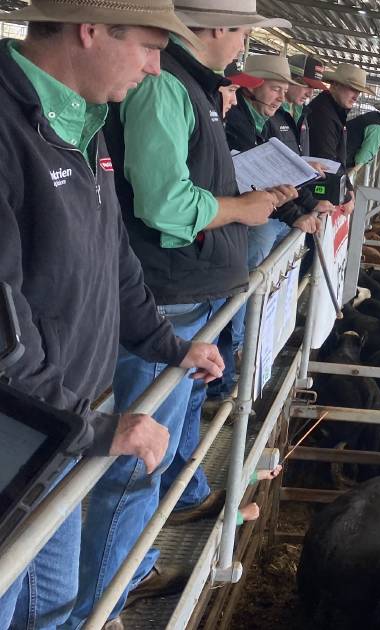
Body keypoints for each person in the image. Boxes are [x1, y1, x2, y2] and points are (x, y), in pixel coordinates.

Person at [0, 2, 227, 627]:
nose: (157, 69)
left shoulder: (85, 121)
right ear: (91, 30)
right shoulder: (8, 127)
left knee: (52, 608)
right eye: (151, 48)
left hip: (60, 427)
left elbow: (114, 255)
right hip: (18, 434)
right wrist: (91, 426)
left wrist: (164, 342)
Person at [75, 0, 293, 624]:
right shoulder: (165, 89)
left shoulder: (189, 89)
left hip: (182, 301)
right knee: (135, 461)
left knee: (161, 442)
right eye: (245, 31)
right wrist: (241, 210)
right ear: (219, 28)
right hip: (166, 302)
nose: (244, 44)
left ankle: (130, 572)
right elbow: (165, 204)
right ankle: (103, 605)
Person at [216, 54, 325, 399]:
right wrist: (296, 212)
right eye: (275, 88)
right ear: (252, 86)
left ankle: (244, 356)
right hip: (241, 220)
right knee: (249, 281)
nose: (281, 96)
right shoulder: (238, 121)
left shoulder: (265, 119)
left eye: (283, 89)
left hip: (258, 213)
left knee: (258, 281)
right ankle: (238, 356)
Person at [306, 61, 368, 168]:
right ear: (335, 85)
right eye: (353, 89)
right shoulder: (324, 115)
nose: (356, 96)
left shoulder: (333, 110)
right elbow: (326, 162)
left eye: (359, 91)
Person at [280, 53, 326, 156]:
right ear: (290, 78)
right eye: (306, 86)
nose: (309, 94)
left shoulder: (302, 113)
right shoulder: (271, 111)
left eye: (313, 88)